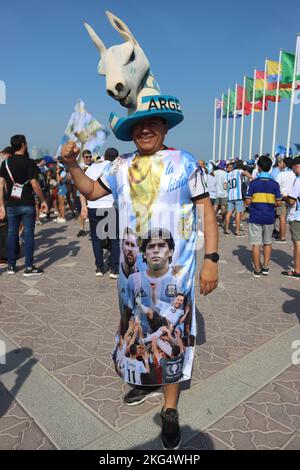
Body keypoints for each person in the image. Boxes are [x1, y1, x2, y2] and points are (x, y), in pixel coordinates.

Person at [62, 10, 218, 450]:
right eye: (138, 124)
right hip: (132, 276)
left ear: (165, 126)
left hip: (177, 275)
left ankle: (170, 408)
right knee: (133, 329)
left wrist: (211, 261)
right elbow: (92, 192)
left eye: (153, 123)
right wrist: (73, 166)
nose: (145, 128)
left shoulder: (186, 162)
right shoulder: (120, 165)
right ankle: (143, 380)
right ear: (131, 131)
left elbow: (207, 212)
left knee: (170, 338)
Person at [0, 134, 48, 275]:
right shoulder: (29, 162)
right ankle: (28, 267)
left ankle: (11, 266)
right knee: (28, 235)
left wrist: (1, 205)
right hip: (27, 203)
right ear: (22, 144)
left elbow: (1, 184)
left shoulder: (6, 163)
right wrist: (43, 200)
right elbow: (34, 183)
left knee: (11, 233)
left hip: (11, 204)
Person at [80, 147, 120, 277]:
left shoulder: (92, 168)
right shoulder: (116, 169)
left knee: (96, 239)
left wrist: (83, 206)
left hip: (94, 207)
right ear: (116, 157)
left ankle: (99, 267)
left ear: (104, 155)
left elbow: (83, 188)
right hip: (111, 207)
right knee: (114, 239)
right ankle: (114, 269)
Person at [246, 155, 282, 277]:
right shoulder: (275, 184)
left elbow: (248, 201)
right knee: (267, 242)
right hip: (269, 217)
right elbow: (278, 202)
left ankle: (257, 269)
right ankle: (265, 266)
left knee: (256, 243)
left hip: (255, 216)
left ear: (259, 167)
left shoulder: (253, 184)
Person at [281, 156, 300, 278]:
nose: (293, 171)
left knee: (297, 243)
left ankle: (297, 270)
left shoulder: (298, 180)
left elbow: (292, 201)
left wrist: (284, 197)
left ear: (297, 166)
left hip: (297, 216)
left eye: (293, 168)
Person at [224, 160, 252, 236]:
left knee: (229, 213)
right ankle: (237, 231)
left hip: (230, 196)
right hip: (238, 196)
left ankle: (226, 229)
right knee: (238, 213)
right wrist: (251, 177)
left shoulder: (228, 174)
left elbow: (225, 186)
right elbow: (245, 173)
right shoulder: (239, 171)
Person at [274, 157, 296, 243]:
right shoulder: (295, 174)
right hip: (293, 199)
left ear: (285, 164)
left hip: (283, 198)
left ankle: (282, 236)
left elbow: (276, 186)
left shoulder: (282, 174)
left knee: (282, 218)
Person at [76, 149, 93, 237]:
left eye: (90, 156)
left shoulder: (94, 166)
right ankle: (82, 229)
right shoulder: (79, 167)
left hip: (91, 193)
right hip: (81, 193)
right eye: (87, 157)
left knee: (91, 212)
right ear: (83, 158)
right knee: (81, 212)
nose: (89, 158)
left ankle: (91, 231)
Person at [214, 160, 228, 225]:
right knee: (223, 208)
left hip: (215, 192)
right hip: (224, 193)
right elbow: (225, 184)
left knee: (215, 207)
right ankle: (223, 220)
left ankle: (214, 220)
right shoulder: (226, 174)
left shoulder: (214, 172)